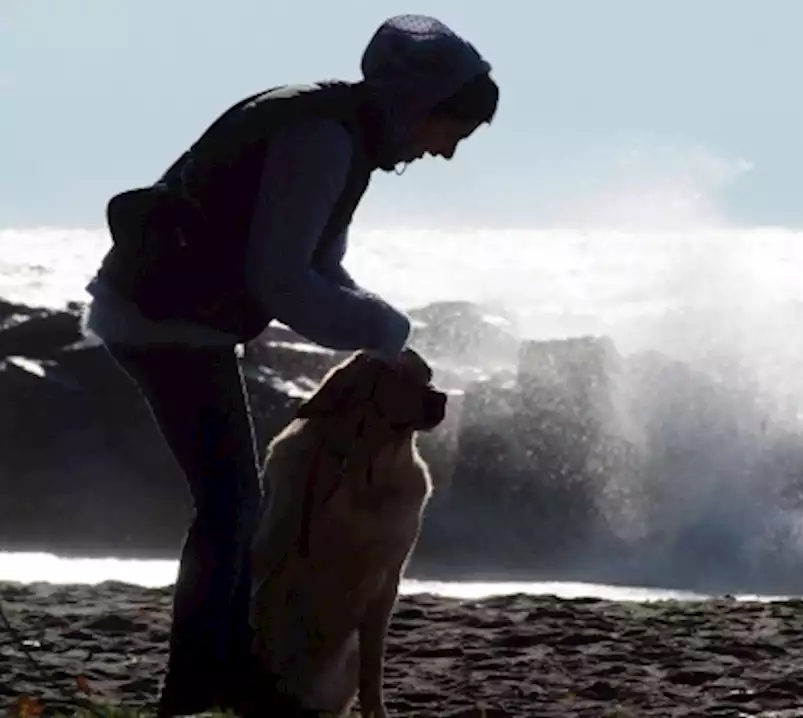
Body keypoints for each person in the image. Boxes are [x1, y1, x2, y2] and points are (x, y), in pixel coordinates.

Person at [79, 14, 498, 717]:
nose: (448, 152)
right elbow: (278, 276)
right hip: (163, 322)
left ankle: (221, 670)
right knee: (232, 504)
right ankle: (198, 685)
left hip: (182, 321)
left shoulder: (342, 131)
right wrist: (384, 334)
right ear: (424, 109)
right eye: (453, 131)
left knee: (233, 503)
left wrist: (384, 330)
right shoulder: (322, 138)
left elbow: (319, 266)